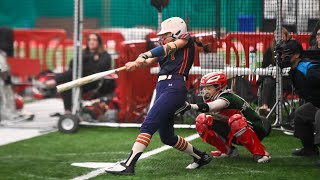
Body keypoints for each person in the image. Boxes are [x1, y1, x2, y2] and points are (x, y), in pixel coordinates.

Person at [105, 17, 212, 175]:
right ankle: (200, 156)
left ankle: (129, 165)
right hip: (162, 87)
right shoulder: (165, 47)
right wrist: (135, 63)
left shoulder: (185, 40)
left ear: (177, 32)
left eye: (166, 35)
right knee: (167, 137)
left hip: (174, 87)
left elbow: (167, 48)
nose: (162, 38)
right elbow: (149, 60)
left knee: (148, 124)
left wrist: (144, 54)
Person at [175, 72, 271, 163]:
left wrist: (190, 106)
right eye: (204, 88)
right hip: (236, 130)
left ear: (219, 87)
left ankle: (262, 153)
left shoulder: (227, 97)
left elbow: (210, 107)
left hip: (256, 130)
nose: (205, 91)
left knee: (236, 120)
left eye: (208, 88)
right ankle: (228, 151)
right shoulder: (216, 97)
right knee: (202, 121)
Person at [45, 32, 115, 112]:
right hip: (80, 79)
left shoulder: (105, 55)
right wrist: (91, 58)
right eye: (89, 40)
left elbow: (98, 68)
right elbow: (72, 64)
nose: (91, 42)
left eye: (94, 40)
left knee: (76, 73)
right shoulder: (85, 53)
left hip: (94, 83)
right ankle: (68, 112)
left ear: (99, 42)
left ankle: (54, 82)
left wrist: (85, 63)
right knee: (66, 86)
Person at [278, 39, 320, 157]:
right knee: (301, 114)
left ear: (297, 55)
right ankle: (309, 149)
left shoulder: (308, 69)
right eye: (282, 54)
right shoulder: (294, 70)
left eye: (286, 54)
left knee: (319, 116)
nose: (283, 57)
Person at [257, 27, 293, 116]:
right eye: (276, 36)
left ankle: (272, 110)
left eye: (280, 35)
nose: (278, 37)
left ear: (286, 36)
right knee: (267, 81)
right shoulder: (271, 49)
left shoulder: (292, 47)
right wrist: (271, 70)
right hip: (271, 78)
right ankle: (265, 106)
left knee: (273, 83)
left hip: (287, 79)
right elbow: (264, 66)